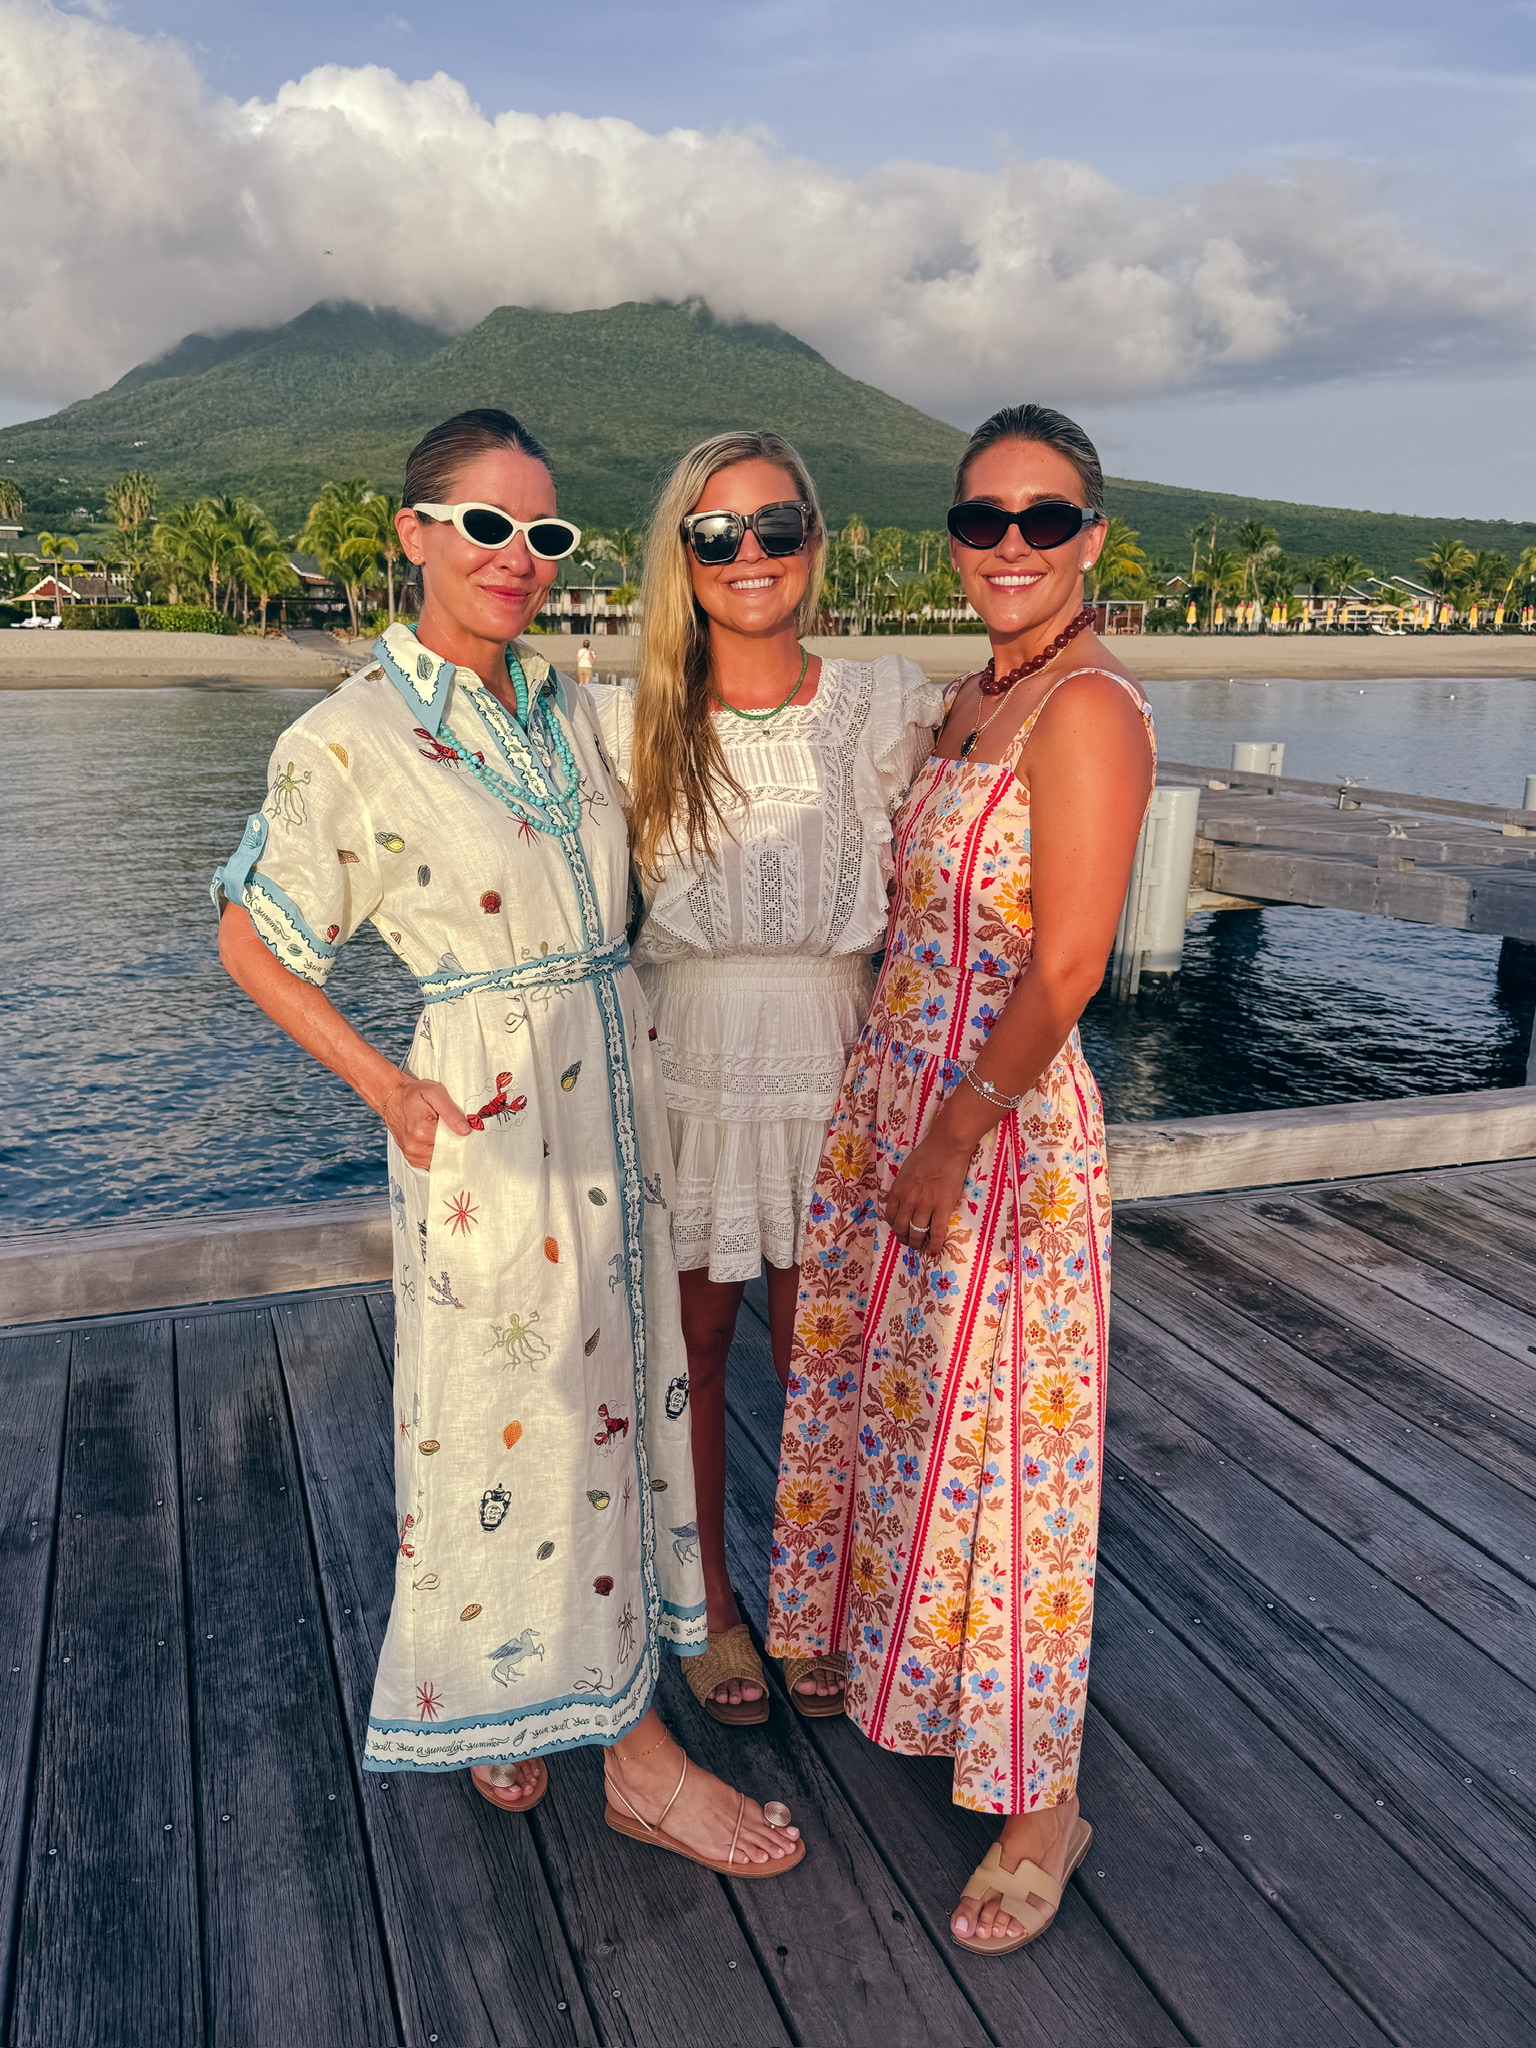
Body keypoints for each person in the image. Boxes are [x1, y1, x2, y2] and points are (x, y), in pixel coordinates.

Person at [213, 407, 802, 1877]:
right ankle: (623, 1753)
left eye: (545, 533)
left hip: (615, 1105)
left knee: (604, 1416)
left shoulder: (565, 705)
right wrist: (385, 1087)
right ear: (413, 534)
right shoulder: (347, 739)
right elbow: (253, 936)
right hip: (491, 1119)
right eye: (487, 525)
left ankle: (530, 1695)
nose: (518, 556)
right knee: (502, 1415)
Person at [766, 403, 1154, 1947]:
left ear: (1091, 538)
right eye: (982, 519)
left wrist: (949, 1133)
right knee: (915, 1417)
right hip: (903, 1098)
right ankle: (909, 1673)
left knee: (1016, 1457)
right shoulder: (973, 702)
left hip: (996, 1128)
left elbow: (1068, 967)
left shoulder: (1089, 710)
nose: (1010, 545)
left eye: (1043, 519)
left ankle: (1044, 1802)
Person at [589, 431, 941, 1725]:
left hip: (838, 1055)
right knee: (691, 1347)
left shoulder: (884, 704)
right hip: (689, 1054)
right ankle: (711, 1608)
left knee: (823, 1350)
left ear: (815, 543)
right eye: (718, 533)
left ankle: (821, 1602)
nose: (750, 554)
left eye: (776, 527)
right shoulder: (629, 723)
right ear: (682, 556)